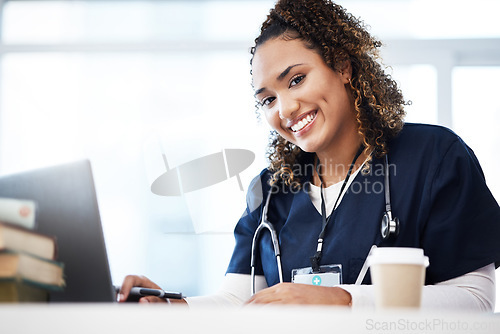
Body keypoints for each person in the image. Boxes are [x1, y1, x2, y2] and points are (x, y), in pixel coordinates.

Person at [118, 0, 500, 310]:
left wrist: (342, 300)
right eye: (268, 99)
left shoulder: (434, 157)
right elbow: (240, 299)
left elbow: (476, 299)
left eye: (296, 79)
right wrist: (176, 307)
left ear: (344, 67)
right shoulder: (269, 191)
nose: (284, 108)